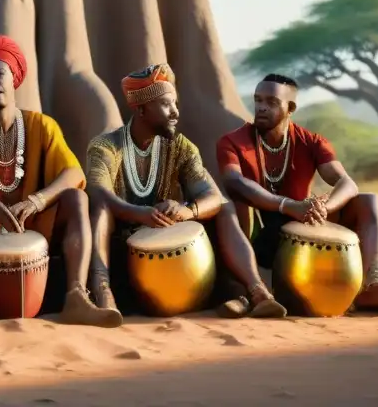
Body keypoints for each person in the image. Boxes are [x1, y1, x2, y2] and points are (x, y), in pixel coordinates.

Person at [0, 35, 123, 333]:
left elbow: (72, 172)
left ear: (13, 78)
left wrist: (38, 200)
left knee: (76, 198)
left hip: (34, 223)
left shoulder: (43, 125)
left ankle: (76, 296)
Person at [87, 64, 287, 319]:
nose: (175, 112)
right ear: (141, 109)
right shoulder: (106, 146)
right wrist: (140, 214)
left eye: (175, 104)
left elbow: (213, 196)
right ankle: (102, 291)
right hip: (122, 254)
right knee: (100, 209)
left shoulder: (181, 147)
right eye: (166, 105)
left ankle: (257, 291)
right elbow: (98, 193)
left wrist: (186, 211)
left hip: (174, 253)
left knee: (224, 208)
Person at [217, 74, 378, 315]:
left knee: (367, 201)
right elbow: (234, 182)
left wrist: (326, 207)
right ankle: (254, 291)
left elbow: (347, 183)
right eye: (258, 100)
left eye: (271, 102)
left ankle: (374, 286)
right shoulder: (232, 142)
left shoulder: (311, 142)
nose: (261, 107)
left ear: (290, 108)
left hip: (302, 224)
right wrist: (288, 205)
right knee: (235, 204)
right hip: (257, 228)